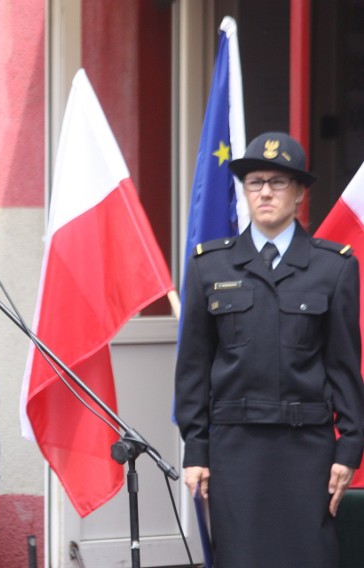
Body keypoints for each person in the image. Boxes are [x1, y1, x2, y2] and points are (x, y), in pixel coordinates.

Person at [175, 131, 364, 567]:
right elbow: (193, 368)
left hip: (307, 449)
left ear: (299, 193)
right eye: (255, 181)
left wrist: (349, 446)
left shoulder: (333, 267)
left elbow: (344, 366)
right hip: (235, 449)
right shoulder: (210, 265)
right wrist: (196, 449)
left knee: (308, 557)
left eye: (278, 182)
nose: (264, 192)